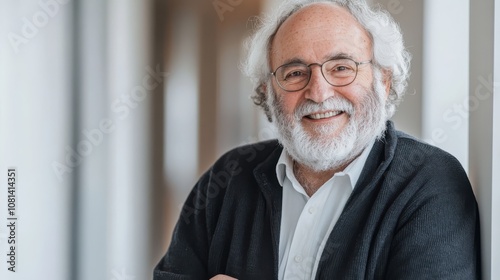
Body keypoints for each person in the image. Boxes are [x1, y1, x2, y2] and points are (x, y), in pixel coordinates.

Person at [154, 0, 481, 279]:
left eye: (341, 67)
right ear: (268, 92)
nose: (319, 92)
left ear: (383, 80)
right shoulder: (226, 179)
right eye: (295, 73)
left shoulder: (429, 181)